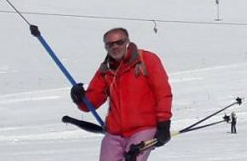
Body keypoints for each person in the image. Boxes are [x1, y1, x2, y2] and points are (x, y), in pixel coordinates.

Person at [71, 27, 172, 161]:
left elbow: (163, 93)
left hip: (143, 128)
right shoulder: (105, 69)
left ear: (127, 42)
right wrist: (80, 98)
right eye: (110, 44)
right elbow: (91, 102)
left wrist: (164, 124)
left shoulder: (146, 60)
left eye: (119, 42)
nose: (115, 47)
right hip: (115, 133)